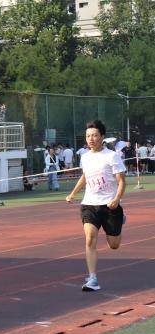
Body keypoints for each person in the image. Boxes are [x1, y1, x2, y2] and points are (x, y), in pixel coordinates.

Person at [66, 120, 127, 292]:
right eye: (88, 136)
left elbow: (121, 181)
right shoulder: (85, 157)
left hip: (110, 205)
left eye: (94, 135)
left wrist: (117, 199)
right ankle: (92, 279)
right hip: (89, 204)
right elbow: (85, 176)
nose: (91, 139)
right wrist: (73, 193)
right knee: (90, 238)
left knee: (114, 244)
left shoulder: (111, 156)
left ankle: (120, 218)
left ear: (102, 137)